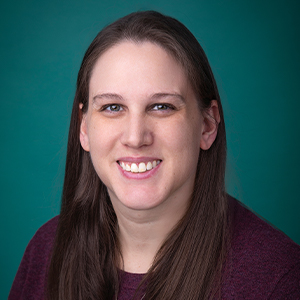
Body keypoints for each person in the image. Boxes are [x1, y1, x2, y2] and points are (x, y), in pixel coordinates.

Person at [9, 11, 300, 300]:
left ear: (207, 125)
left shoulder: (279, 279)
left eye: (162, 107)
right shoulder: (46, 251)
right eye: (112, 107)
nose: (135, 137)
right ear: (84, 128)